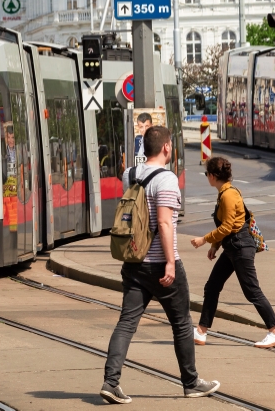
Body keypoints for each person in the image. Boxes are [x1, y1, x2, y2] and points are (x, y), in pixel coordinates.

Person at [100, 126, 220, 404]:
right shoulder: (166, 180)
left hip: (133, 262)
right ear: (167, 147)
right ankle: (191, 383)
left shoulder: (129, 175)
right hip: (161, 264)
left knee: (127, 322)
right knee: (181, 323)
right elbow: (165, 223)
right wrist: (169, 262)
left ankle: (111, 381)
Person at [190, 157, 275, 348]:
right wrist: (215, 246)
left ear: (213, 176)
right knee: (212, 286)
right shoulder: (224, 192)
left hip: (239, 246)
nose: (207, 177)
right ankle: (201, 331)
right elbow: (227, 227)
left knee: (252, 291)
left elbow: (228, 227)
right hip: (232, 247)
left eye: (207, 174)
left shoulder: (228, 195)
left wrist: (204, 240)